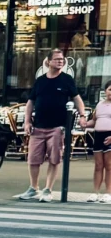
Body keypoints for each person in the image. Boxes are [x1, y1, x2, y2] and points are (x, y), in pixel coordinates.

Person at [18, 47, 86, 201]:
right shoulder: (40, 81)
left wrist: (82, 116)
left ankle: (48, 189)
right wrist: (27, 121)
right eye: (57, 59)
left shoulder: (67, 79)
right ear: (48, 62)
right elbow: (31, 101)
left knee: (54, 159)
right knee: (33, 159)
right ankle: (33, 187)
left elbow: (77, 98)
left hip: (57, 126)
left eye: (62, 59)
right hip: (38, 126)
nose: (60, 62)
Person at [85, 80, 111, 204]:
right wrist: (84, 124)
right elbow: (94, 121)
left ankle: (108, 192)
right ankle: (95, 192)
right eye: (110, 89)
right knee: (98, 165)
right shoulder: (100, 105)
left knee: (109, 165)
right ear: (105, 91)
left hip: (109, 136)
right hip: (98, 135)